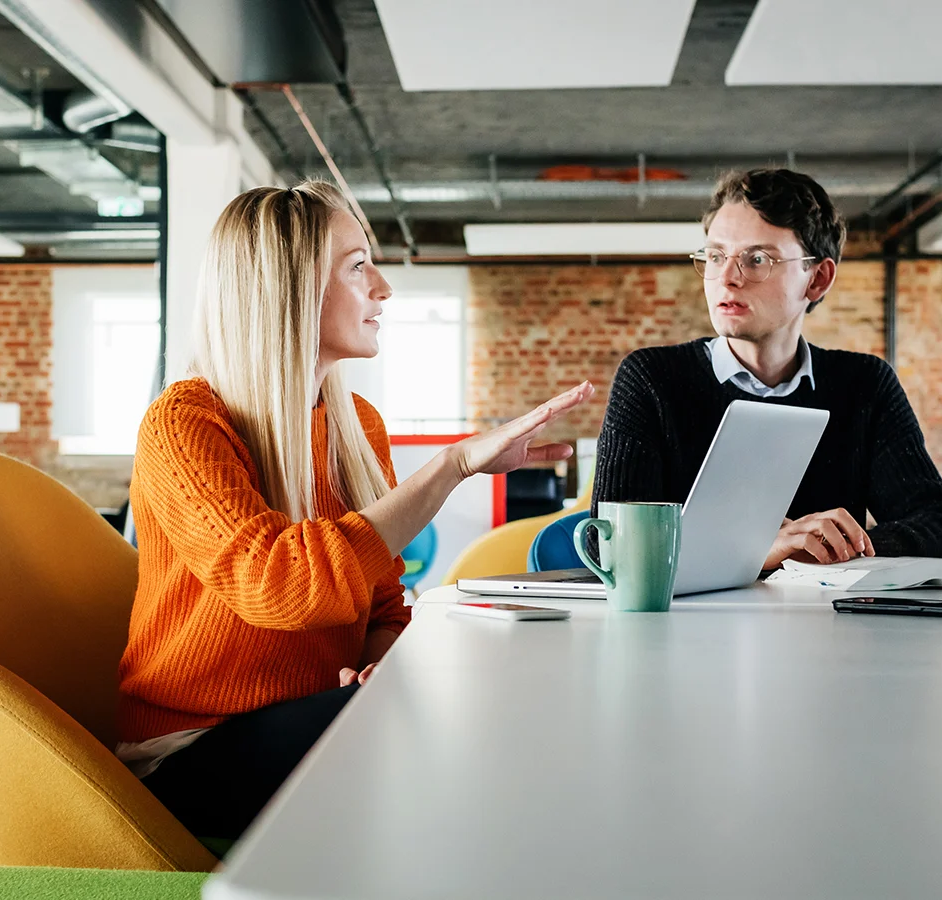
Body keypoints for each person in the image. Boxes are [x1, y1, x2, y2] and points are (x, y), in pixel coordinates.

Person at [118, 180, 594, 840]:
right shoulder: (183, 425)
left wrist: (380, 658)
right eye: (358, 266)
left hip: (316, 711)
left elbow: (383, 605)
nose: (383, 290)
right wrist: (452, 466)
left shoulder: (355, 425)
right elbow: (280, 587)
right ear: (287, 289)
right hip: (192, 750)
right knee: (458, 734)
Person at [592, 168, 942, 569]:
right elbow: (610, 548)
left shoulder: (864, 385)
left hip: (827, 627)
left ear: (817, 279)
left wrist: (830, 546)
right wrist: (760, 551)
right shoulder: (651, 378)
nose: (727, 277)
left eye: (757, 259)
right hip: (687, 629)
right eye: (717, 255)